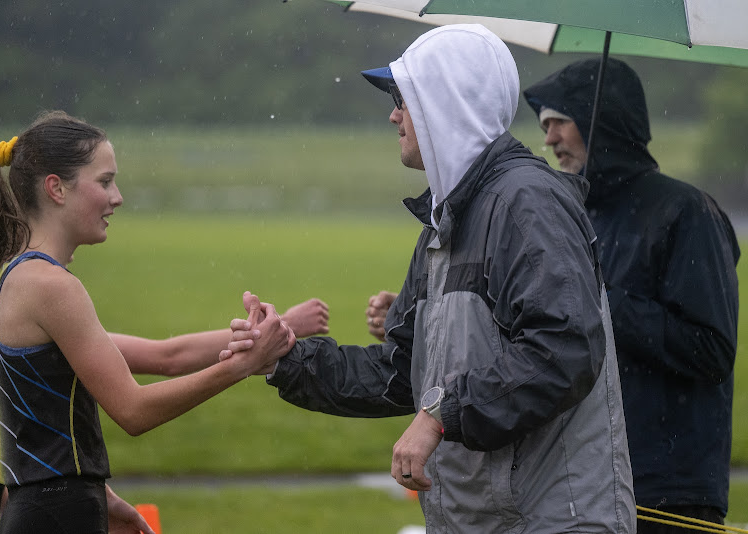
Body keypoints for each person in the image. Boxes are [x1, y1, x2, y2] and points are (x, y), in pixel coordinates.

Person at [222, 25, 636, 533]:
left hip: (552, 522)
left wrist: (441, 414)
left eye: (403, 97)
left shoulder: (526, 202)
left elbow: (564, 351)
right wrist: (288, 357)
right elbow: (403, 375)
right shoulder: (449, 216)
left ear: (447, 101)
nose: (393, 114)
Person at [0, 111, 303, 534]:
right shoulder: (51, 286)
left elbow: (33, 425)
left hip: (47, 510)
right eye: (104, 181)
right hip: (57, 516)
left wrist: (100, 497)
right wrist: (243, 365)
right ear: (56, 188)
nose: (117, 197)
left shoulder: (17, 276)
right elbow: (133, 410)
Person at [0, 211, 329, 533]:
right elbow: (162, 364)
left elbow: (15, 443)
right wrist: (250, 356)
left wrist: (99, 495)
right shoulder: (4, 323)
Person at [522, 58, 741, 532]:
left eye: (559, 121)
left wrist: (599, 299)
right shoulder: (578, 219)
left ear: (600, 118)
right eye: (545, 127)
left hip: (669, 494)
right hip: (588, 480)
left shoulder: (686, 212)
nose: (549, 139)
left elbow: (711, 350)